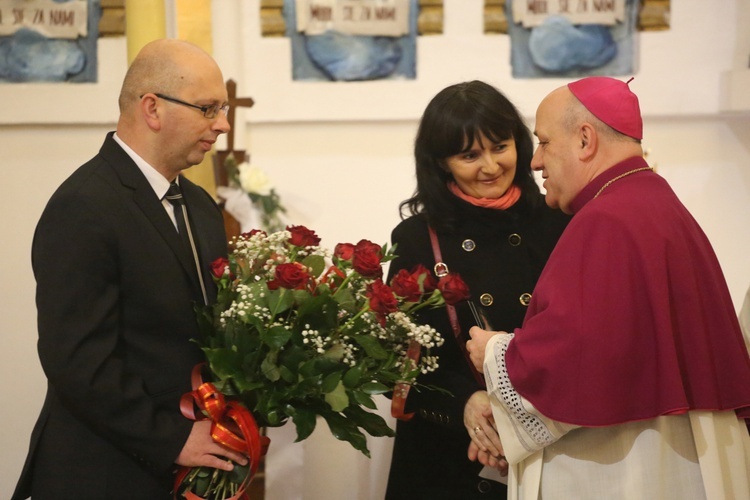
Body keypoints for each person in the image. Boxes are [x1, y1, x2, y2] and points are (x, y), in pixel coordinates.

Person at [467, 76, 750, 499]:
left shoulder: (608, 220)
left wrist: (492, 351)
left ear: (585, 139)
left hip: (628, 466)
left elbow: (579, 356)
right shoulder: (653, 201)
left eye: (544, 143)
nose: (535, 162)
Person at [12, 39, 248, 499]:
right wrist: (173, 437)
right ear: (152, 109)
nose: (222, 124)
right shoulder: (84, 205)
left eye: (221, 108)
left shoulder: (199, 205)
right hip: (104, 471)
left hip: (183, 471)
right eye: (208, 108)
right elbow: (77, 361)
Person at [384, 80, 570, 500]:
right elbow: (396, 359)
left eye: (500, 147)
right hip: (447, 456)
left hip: (552, 442)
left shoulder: (558, 219)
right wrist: (466, 404)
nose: (490, 167)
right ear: (441, 162)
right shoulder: (415, 238)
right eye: (469, 155)